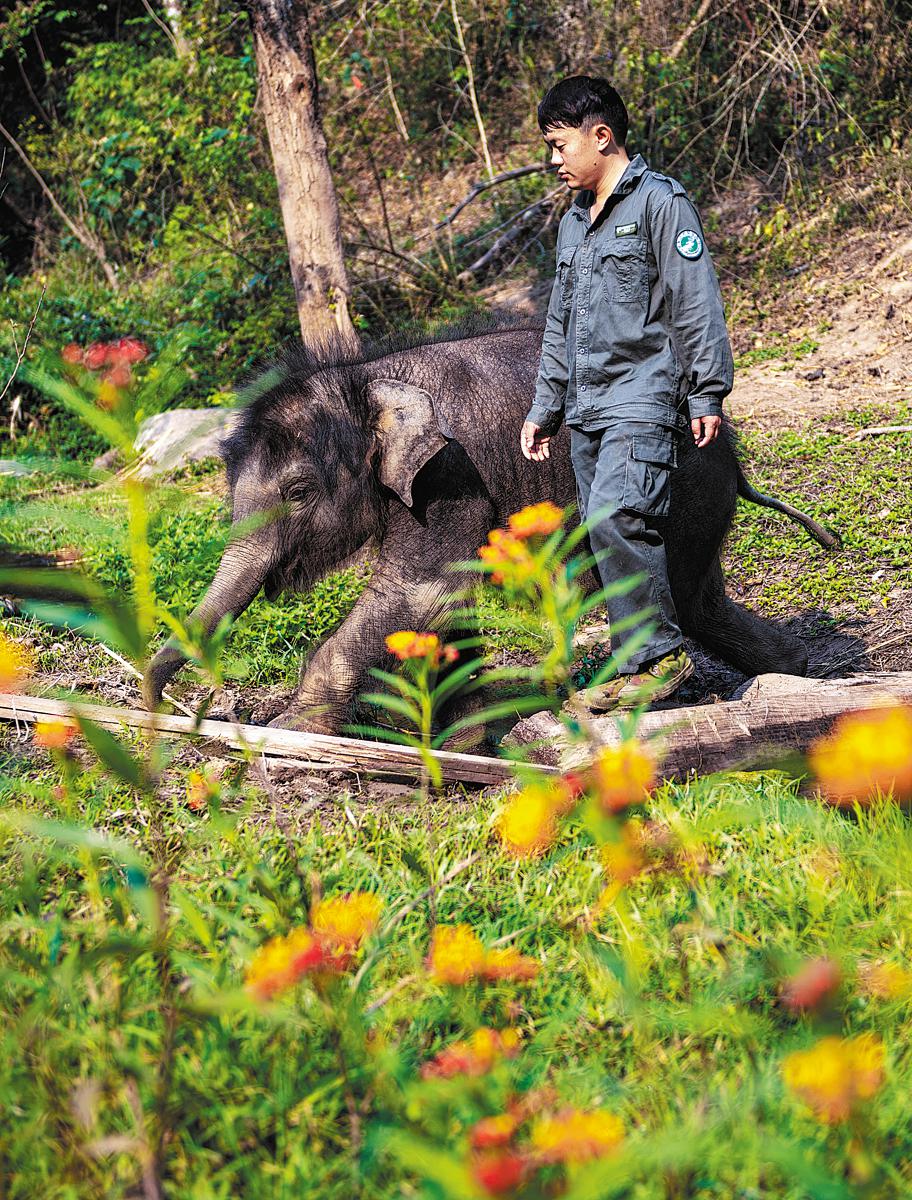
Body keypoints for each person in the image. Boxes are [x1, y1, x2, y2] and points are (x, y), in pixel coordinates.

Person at [520, 75, 734, 711]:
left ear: (601, 136)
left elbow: (695, 304)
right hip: (587, 407)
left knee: (619, 516)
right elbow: (559, 323)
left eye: (559, 146)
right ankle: (633, 659)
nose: (554, 161)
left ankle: (660, 657)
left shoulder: (663, 206)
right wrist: (544, 407)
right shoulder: (572, 226)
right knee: (602, 529)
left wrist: (706, 392)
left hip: (643, 398)